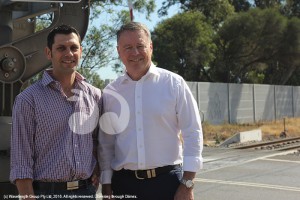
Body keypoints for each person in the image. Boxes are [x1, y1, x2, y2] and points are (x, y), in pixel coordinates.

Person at [98, 22, 203, 200]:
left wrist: (188, 184)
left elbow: (193, 133)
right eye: (128, 47)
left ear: (151, 47)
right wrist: (106, 185)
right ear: (118, 51)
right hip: (124, 185)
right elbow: (106, 143)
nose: (135, 53)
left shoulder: (174, 84)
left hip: (167, 184)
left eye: (140, 46)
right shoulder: (110, 93)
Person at [10, 24, 101, 199]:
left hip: (87, 192)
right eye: (61, 48)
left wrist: (97, 168)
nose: (69, 53)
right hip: (46, 192)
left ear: (81, 51)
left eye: (74, 48)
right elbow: (21, 162)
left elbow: (97, 141)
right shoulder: (28, 100)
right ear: (48, 53)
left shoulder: (95, 95)